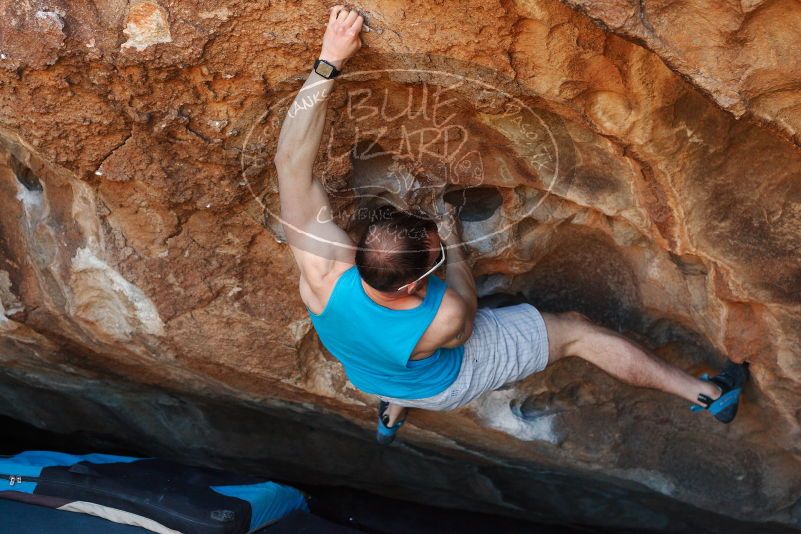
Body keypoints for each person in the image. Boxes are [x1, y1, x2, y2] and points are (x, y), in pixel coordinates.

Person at [272, 5, 749, 445]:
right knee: (578, 332)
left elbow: (289, 160)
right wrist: (454, 244)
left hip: (368, 371)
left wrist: (329, 59)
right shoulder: (445, 317)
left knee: (398, 350)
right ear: (419, 282)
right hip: (447, 382)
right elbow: (468, 304)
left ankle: (393, 410)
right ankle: (708, 394)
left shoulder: (323, 273)